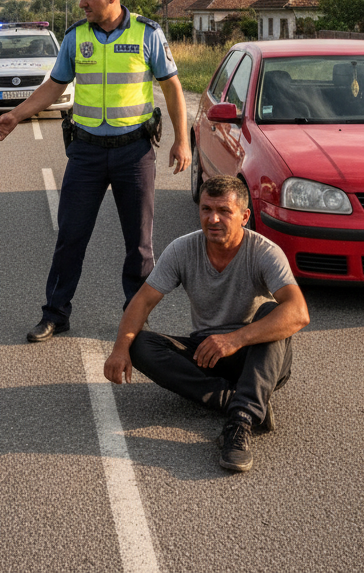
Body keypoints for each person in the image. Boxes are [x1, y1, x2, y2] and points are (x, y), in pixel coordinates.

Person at [0, 0, 191, 342]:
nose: (82, 3)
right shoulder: (75, 37)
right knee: (71, 237)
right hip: (87, 153)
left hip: (134, 151)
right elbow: (54, 86)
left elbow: (173, 87)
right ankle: (55, 314)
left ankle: (136, 317)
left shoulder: (147, 33)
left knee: (140, 244)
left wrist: (183, 140)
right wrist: (15, 115)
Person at [104, 176, 310, 474]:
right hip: (207, 353)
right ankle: (241, 401)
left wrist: (235, 340)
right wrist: (120, 348)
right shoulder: (182, 249)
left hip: (258, 357)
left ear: (244, 216)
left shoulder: (264, 252)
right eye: (206, 209)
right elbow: (143, 301)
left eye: (224, 211)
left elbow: (299, 312)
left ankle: (241, 421)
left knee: (272, 311)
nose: (213, 218)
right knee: (140, 343)